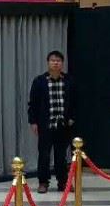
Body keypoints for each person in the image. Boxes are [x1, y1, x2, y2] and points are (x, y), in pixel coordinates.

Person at [27, 50, 75, 194]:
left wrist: (72, 118)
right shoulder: (39, 81)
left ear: (62, 63)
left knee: (61, 156)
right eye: (53, 60)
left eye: (58, 61)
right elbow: (33, 103)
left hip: (63, 124)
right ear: (48, 63)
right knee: (44, 155)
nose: (55, 63)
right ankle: (43, 182)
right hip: (45, 124)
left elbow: (75, 101)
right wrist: (33, 122)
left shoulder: (69, 80)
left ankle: (63, 182)